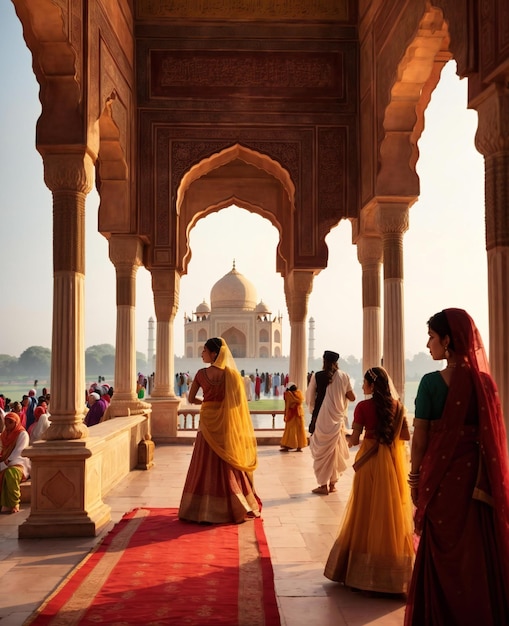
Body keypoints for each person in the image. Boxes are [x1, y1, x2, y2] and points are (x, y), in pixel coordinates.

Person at [405, 309, 509, 625]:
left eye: (432, 337)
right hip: (477, 484)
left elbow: (420, 441)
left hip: (441, 485)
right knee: (474, 557)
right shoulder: (485, 384)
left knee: (440, 557)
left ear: (447, 340)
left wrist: (414, 479)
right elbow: (493, 440)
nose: (427, 344)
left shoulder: (430, 384)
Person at [324, 366, 414, 593]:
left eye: (364, 382)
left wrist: (343, 439)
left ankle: (361, 572)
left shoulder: (363, 407)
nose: (362, 386)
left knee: (365, 511)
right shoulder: (398, 407)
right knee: (388, 512)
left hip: (368, 464)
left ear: (372, 385)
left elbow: (354, 439)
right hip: (391, 465)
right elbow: (404, 437)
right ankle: (393, 572)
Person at [178, 337, 260, 524]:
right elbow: (239, 402)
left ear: (214, 354)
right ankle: (234, 503)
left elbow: (191, 399)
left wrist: (207, 402)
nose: (202, 354)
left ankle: (201, 507)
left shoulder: (200, 374)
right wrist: (223, 406)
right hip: (224, 422)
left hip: (207, 420)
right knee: (226, 460)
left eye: (204, 351)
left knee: (204, 460)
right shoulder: (231, 375)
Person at [306, 350, 355, 494]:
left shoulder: (317, 376)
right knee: (335, 451)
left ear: (324, 361)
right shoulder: (344, 376)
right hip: (337, 420)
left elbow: (310, 398)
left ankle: (323, 485)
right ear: (336, 362)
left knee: (322, 451)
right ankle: (333, 484)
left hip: (322, 419)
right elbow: (352, 397)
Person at [0, 412, 31, 514]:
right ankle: (4, 504)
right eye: (6, 422)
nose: (8, 425)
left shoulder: (22, 434)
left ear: (16, 422)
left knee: (10, 474)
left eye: (10, 422)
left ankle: (14, 503)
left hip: (20, 462)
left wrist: (7, 461)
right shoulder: (4, 435)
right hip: (6, 461)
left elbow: (19, 451)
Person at [279, 382, 308, 452]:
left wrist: (285, 414)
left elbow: (287, 405)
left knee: (290, 430)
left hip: (291, 414)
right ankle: (299, 446)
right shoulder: (299, 394)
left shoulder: (288, 395)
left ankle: (288, 445)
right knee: (299, 430)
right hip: (299, 414)